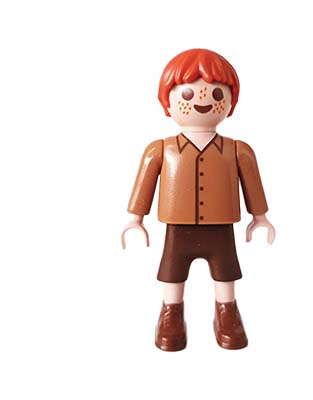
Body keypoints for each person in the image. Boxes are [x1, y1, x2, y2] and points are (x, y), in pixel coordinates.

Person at [121, 49, 275, 351]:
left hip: (221, 226)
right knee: (172, 271)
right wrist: (135, 219)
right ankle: (171, 313)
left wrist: (260, 217)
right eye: (187, 94)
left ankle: (227, 311)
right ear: (168, 102)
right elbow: (145, 184)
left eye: (217, 93)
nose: (201, 100)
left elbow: (253, 184)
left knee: (226, 270)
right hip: (178, 227)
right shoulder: (161, 149)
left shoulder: (237, 150)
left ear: (230, 103)